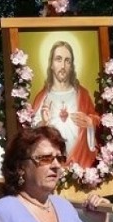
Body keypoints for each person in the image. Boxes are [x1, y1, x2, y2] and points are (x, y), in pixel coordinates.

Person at [31, 40, 100, 168]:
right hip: (50, 165)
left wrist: (90, 122)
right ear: (51, 64)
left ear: (72, 66)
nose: (63, 65)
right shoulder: (43, 97)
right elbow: (31, 134)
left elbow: (96, 118)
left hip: (81, 162)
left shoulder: (82, 94)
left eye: (67, 61)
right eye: (58, 59)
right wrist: (43, 123)